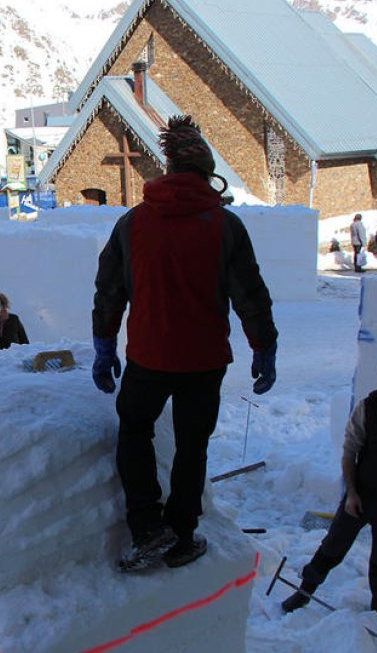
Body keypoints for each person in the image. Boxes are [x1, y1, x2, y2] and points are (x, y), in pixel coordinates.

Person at [92, 115, 278, 572]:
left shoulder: (132, 223)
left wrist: (104, 343)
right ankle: (181, 534)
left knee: (135, 432)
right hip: (204, 361)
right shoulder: (225, 226)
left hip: (149, 357)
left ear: (169, 171)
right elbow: (249, 295)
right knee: (193, 446)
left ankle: (146, 527)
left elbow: (109, 290)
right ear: (206, 173)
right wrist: (263, 347)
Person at [280, 356, 377, 639]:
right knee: (332, 547)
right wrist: (351, 493)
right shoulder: (369, 407)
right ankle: (304, 592)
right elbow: (349, 450)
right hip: (361, 494)